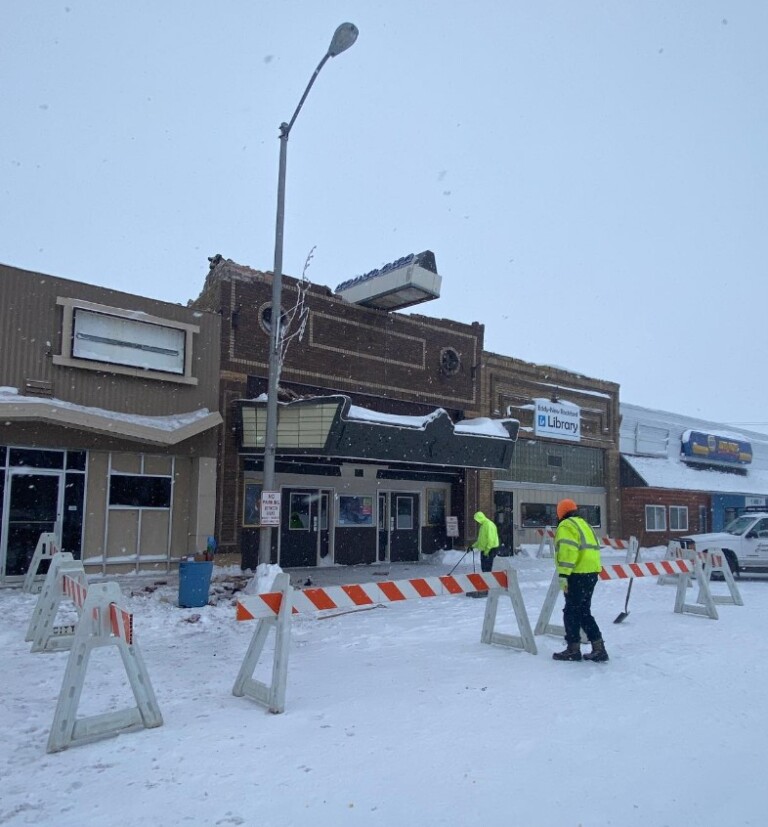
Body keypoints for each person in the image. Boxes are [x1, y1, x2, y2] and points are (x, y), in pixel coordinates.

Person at [552, 498, 609, 663]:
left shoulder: (566, 526)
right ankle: (599, 648)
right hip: (591, 573)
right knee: (584, 612)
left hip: (576, 574)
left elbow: (568, 551)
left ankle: (573, 649)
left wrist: (563, 574)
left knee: (570, 612)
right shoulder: (585, 524)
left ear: (560, 513)